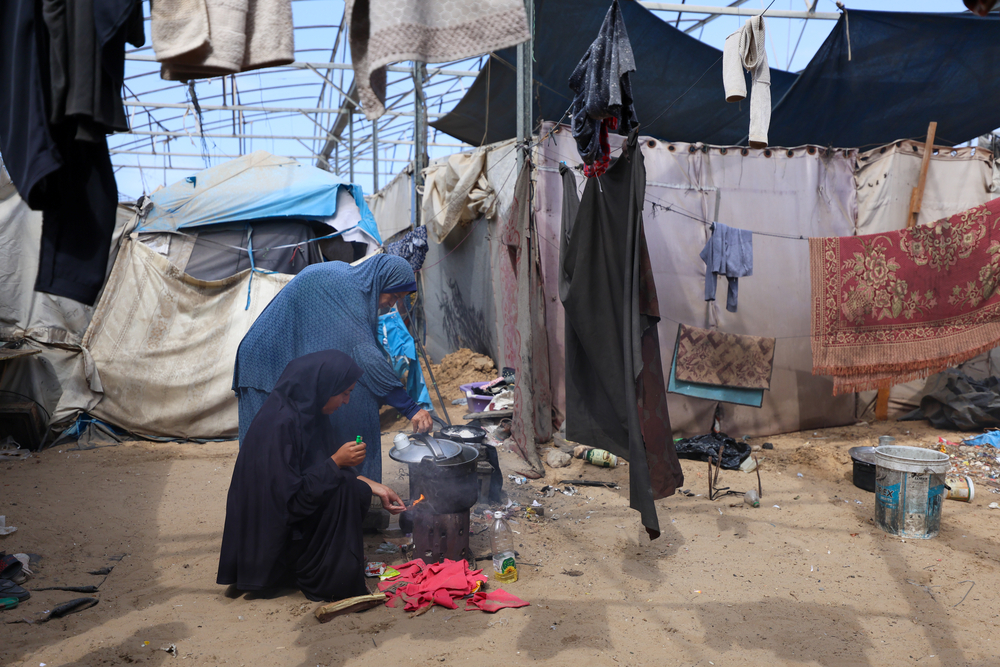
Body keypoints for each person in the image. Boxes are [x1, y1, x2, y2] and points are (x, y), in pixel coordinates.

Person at [217, 349, 407, 602]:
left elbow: (315, 472)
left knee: (356, 489)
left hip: (291, 516)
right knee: (347, 492)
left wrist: (376, 486)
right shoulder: (279, 425)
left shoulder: (308, 414)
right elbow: (290, 501)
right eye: (344, 393)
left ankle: (322, 565)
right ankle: (327, 578)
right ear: (323, 386)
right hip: (271, 541)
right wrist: (336, 462)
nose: (347, 401)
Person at [233, 255, 434, 482]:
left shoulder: (352, 283)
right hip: (264, 364)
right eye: (394, 295)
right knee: (266, 455)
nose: (392, 303)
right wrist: (410, 408)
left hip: (277, 362)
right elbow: (364, 355)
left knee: (289, 455)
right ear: (381, 282)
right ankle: (260, 513)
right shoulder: (350, 291)